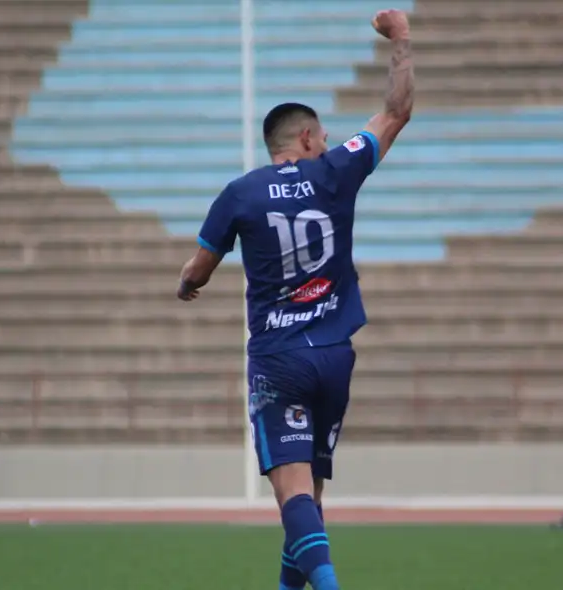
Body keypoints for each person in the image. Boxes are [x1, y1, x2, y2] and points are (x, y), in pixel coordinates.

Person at [176, 9, 414, 590]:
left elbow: (201, 263)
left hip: (280, 356)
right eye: (324, 136)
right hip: (334, 353)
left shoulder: (240, 194)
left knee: (291, 493)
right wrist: (402, 41)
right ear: (307, 140)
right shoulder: (335, 170)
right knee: (310, 497)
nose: (328, 142)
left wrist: (188, 283)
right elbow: (396, 111)